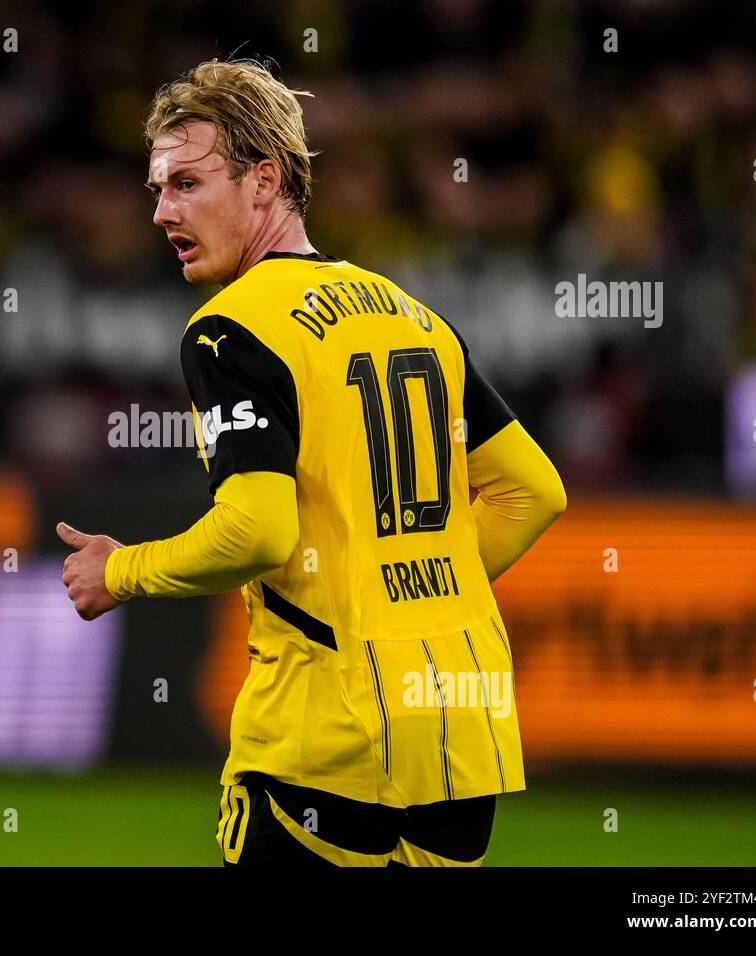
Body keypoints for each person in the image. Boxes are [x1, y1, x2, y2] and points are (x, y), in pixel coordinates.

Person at [58, 58, 566, 867]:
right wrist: (408, 602)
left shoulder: (231, 329)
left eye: (186, 183)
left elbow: (257, 532)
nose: (161, 213)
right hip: (460, 728)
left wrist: (121, 572)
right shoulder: (415, 317)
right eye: (157, 189)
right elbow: (533, 492)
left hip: (328, 728)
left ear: (265, 182)